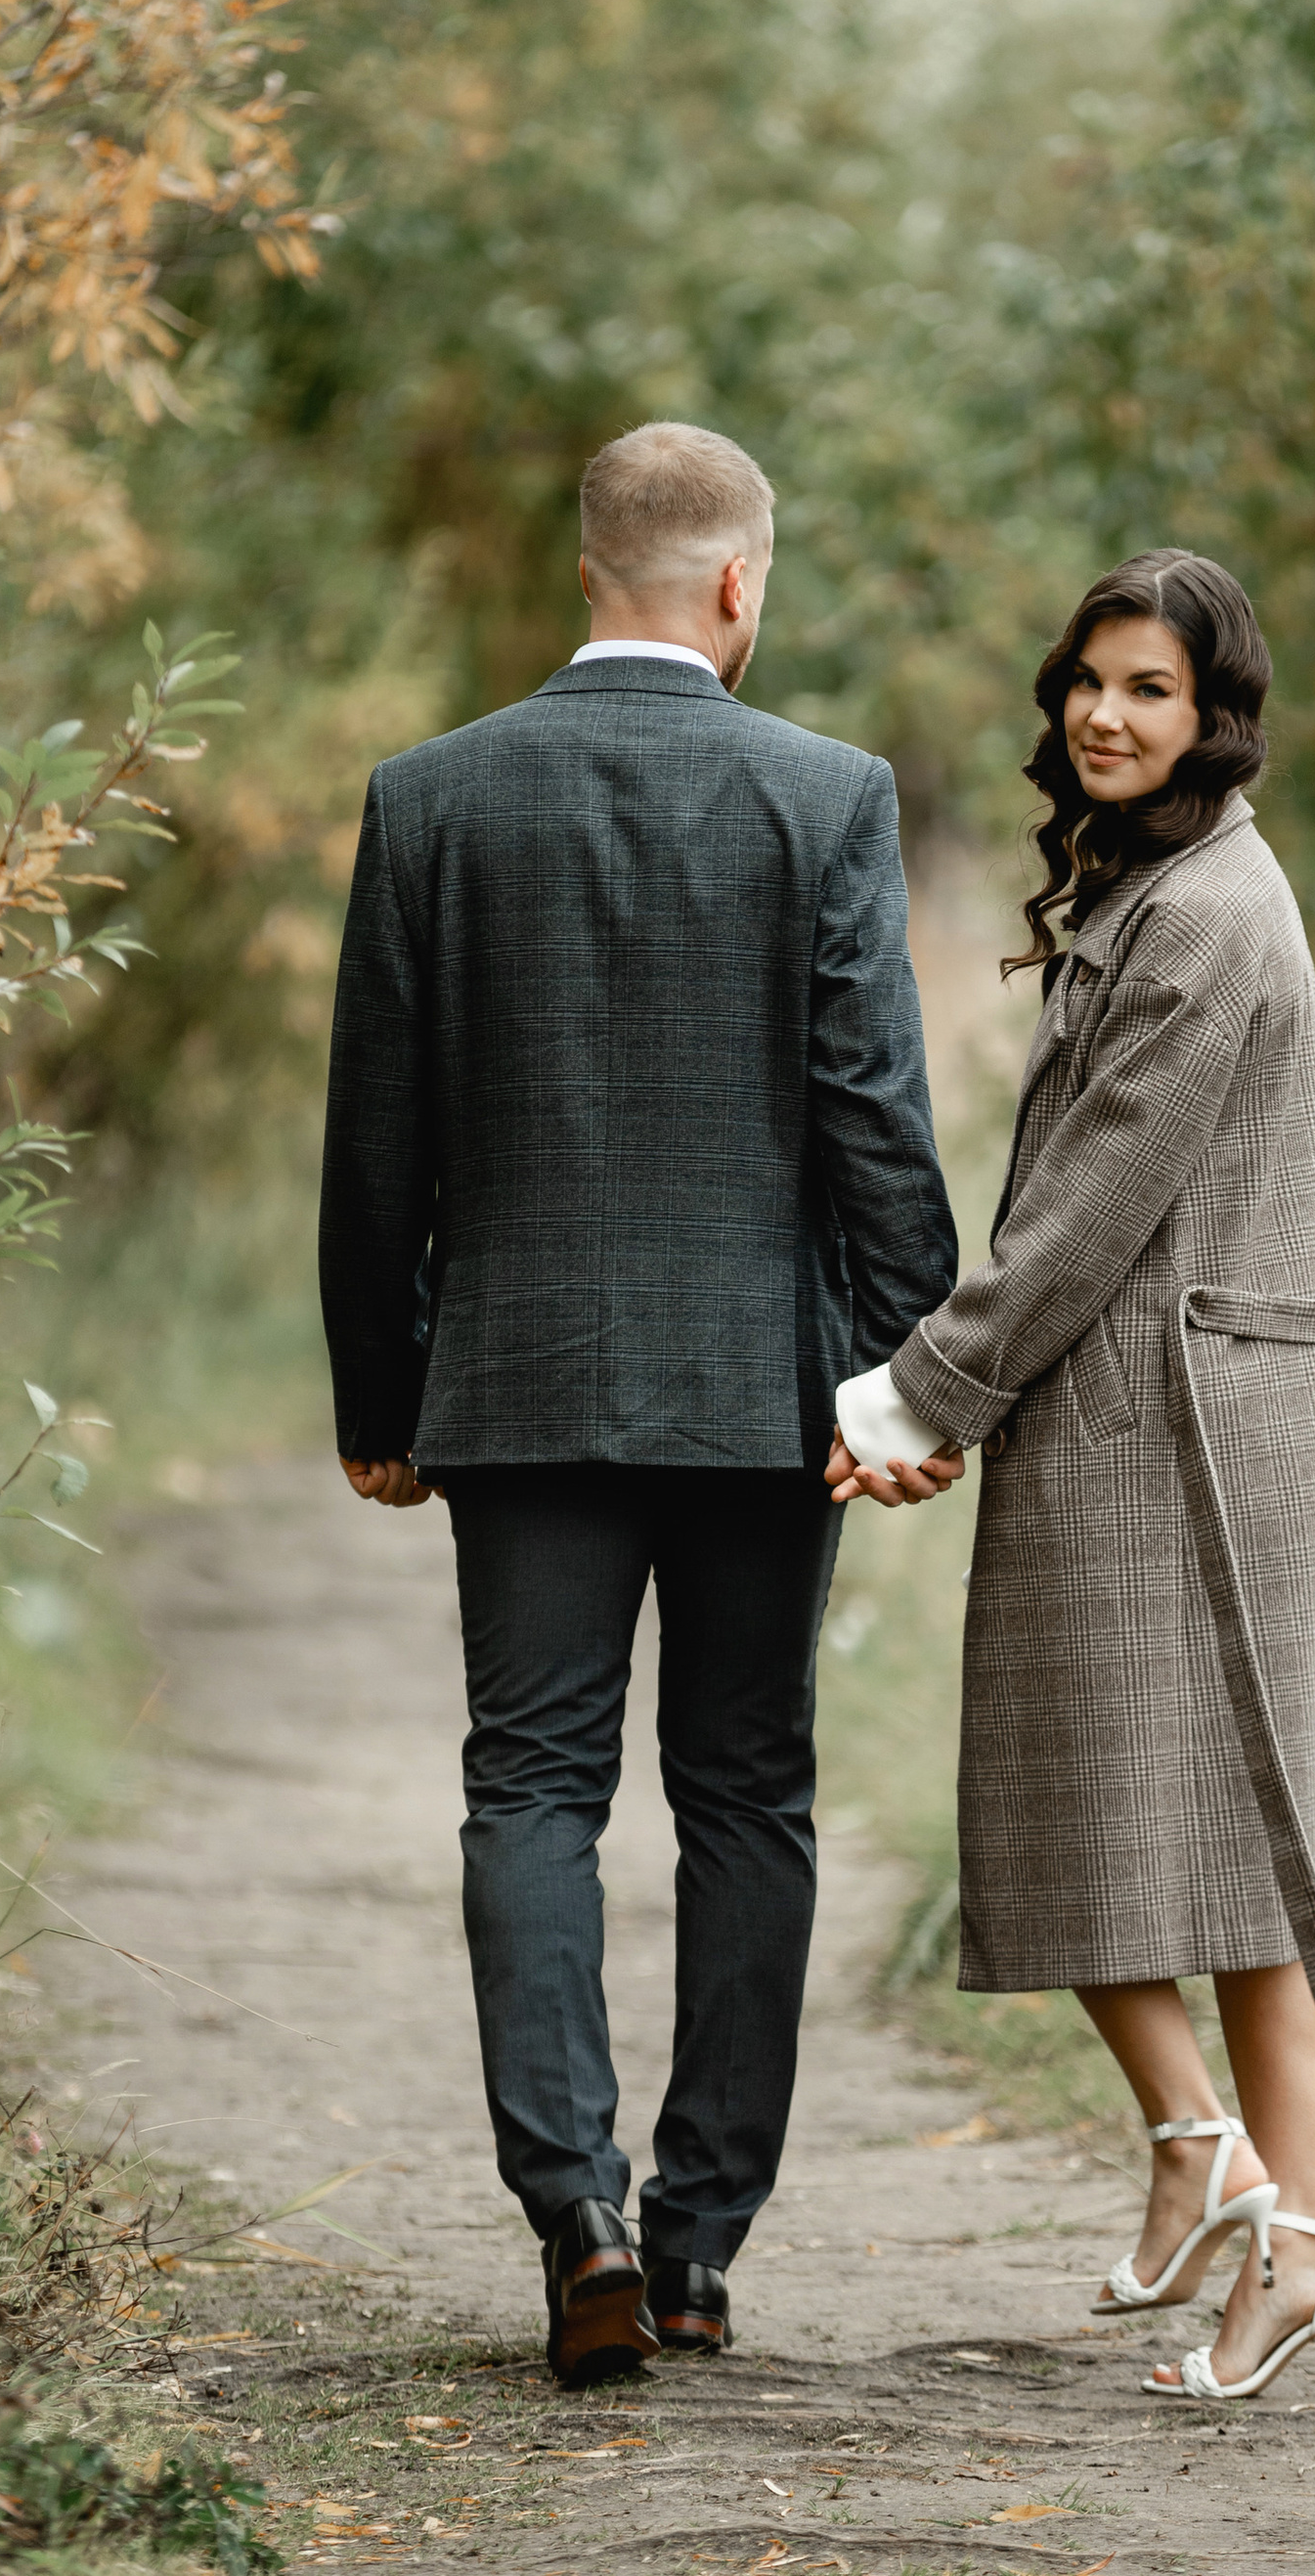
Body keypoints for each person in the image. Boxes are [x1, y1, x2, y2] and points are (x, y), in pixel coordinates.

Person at [320, 422, 956, 2389]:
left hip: (509, 1386)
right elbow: (871, 1118)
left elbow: (377, 1147)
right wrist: (917, 1370)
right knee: (745, 1791)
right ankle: (690, 2252)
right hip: (764, 1400)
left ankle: (569, 2210)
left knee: (530, 1784)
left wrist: (380, 1389)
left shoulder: (432, 800)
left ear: (587, 573)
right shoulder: (824, 797)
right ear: (737, 587)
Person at [829, 549, 1315, 2404]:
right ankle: (1226, 2168)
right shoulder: (1159, 883)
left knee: (1221, 1848)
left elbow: (1095, 1198)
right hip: (1128, 1416)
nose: (1107, 718)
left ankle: (1300, 2231)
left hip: (1195, 1440)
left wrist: (921, 1392)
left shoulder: (1210, 914)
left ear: (1217, 718)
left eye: (1152, 692)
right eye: (1092, 683)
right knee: (1090, 1815)